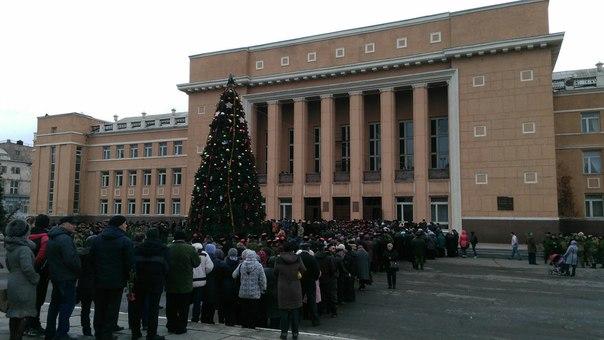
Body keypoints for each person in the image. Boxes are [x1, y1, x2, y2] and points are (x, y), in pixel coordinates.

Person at [90, 215, 134, 340]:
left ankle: (98, 333)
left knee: (99, 307)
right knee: (112, 308)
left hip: (99, 280)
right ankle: (107, 334)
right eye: (125, 224)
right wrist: (128, 279)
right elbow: (130, 263)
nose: (126, 226)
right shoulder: (125, 241)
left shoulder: (98, 239)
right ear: (120, 225)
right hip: (116, 281)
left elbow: (91, 259)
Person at [46, 216, 81, 340]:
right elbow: (70, 259)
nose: (75, 226)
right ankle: (62, 333)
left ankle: (49, 332)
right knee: (67, 304)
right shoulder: (64, 238)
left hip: (56, 275)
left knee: (55, 304)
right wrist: (79, 269)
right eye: (72, 224)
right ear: (64, 224)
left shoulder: (53, 236)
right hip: (66, 276)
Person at [131, 228, 169, 340]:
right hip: (156, 281)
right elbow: (167, 267)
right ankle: (151, 334)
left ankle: (135, 332)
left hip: (139, 281)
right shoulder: (163, 249)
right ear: (158, 236)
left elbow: (132, 264)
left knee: (137, 308)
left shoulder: (138, 248)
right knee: (153, 308)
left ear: (147, 236)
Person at [5, 219, 40, 340]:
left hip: (13, 281)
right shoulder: (24, 249)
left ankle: (12, 337)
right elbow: (27, 268)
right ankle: (17, 337)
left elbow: (8, 265)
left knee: (14, 314)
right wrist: (35, 278)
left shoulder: (11, 247)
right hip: (24, 284)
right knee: (24, 314)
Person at [165, 230, 200, 334]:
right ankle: (181, 327)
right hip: (185, 283)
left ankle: (171, 325)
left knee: (171, 307)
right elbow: (196, 263)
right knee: (183, 308)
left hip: (170, 282)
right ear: (184, 238)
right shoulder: (190, 249)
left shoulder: (168, 248)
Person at [274, 242, 306, 340]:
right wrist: (297, 274)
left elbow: (275, 272)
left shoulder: (279, 259)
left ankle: (284, 333)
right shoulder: (297, 257)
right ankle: (295, 333)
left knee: (284, 311)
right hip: (295, 286)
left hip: (283, 287)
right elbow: (303, 269)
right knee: (295, 311)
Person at [24, 214, 50, 337]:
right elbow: (41, 256)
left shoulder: (28, 235)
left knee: (29, 299)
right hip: (40, 273)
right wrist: (36, 268)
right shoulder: (45, 237)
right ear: (46, 224)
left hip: (27, 271)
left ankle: (27, 324)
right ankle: (33, 325)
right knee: (38, 300)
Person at [232, 249, 267, 329]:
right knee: (253, 311)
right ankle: (251, 326)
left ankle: (244, 325)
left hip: (243, 292)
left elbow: (234, 275)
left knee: (244, 310)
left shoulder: (241, 265)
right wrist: (263, 289)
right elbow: (262, 279)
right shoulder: (259, 265)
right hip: (254, 293)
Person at [77, 235, 97, 337]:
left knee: (85, 309)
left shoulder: (81, 254)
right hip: (96, 284)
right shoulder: (97, 254)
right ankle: (98, 329)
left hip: (83, 284)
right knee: (99, 308)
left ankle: (86, 330)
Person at [190, 243, 214, 323]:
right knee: (197, 301)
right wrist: (204, 272)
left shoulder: (189, 253)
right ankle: (195, 318)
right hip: (201, 281)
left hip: (190, 281)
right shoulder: (205, 254)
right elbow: (209, 267)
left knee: (186, 300)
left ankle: (183, 316)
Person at [298, 243, 320, 326]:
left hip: (300, 281)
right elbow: (317, 271)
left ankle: (298, 318)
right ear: (308, 249)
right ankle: (315, 319)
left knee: (299, 299)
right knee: (312, 300)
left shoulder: (297, 257)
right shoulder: (311, 258)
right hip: (310, 281)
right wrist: (314, 278)